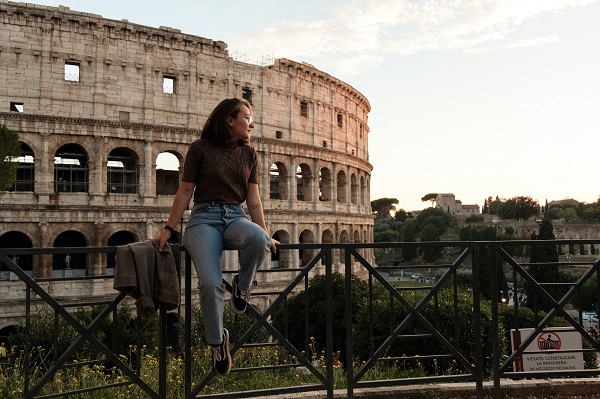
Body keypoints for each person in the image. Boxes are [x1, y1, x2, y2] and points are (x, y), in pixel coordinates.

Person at [152, 98, 278, 376]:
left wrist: (265, 232)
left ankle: (242, 287)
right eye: (247, 117)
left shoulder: (250, 154)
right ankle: (218, 343)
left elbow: (254, 200)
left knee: (259, 241)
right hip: (203, 219)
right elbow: (185, 192)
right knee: (209, 284)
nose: (252, 123)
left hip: (235, 216)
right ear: (229, 120)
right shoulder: (200, 149)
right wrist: (168, 229)